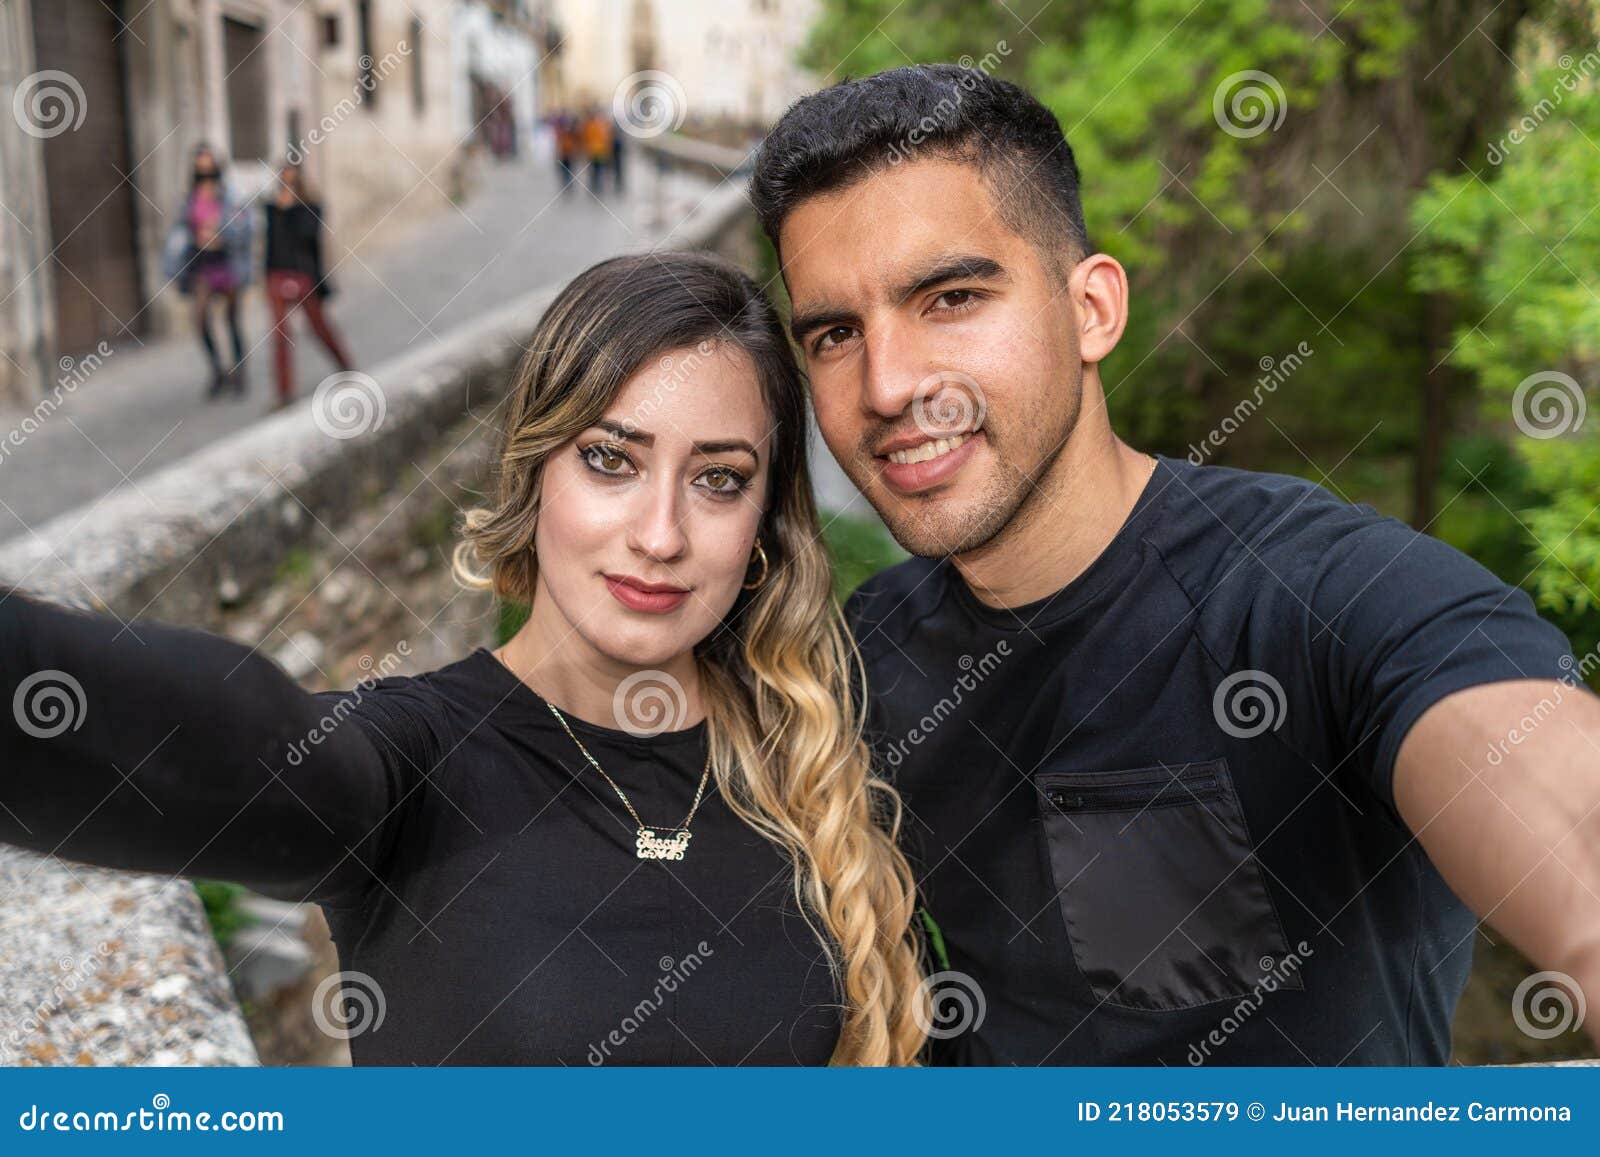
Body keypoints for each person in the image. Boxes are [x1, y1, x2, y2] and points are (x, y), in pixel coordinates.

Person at [750, 64, 1600, 1065]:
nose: (887, 384)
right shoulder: (860, 656)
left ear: (1093, 310)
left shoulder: (1314, 595)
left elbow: (1541, 783)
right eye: (836, 334)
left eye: (950, 296)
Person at [0, 252, 927, 1066]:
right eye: (611, 460)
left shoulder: (816, 751)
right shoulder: (415, 763)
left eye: (718, 479)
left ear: (763, 525)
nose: (659, 534)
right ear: (533, 475)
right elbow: (231, 750)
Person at [160, 144, 253, 399]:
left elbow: (246, 225)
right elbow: (181, 232)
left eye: (209, 168)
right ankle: (217, 370)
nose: (206, 174)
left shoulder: (230, 195)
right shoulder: (189, 200)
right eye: (201, 169)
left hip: (227, 262)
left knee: (232, 320)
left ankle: (240, 372)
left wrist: (223, 233)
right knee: (200, 320)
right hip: (203, 265)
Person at [263, 161, 355, 409]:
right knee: (281, 333)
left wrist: (292, 208)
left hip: (302, 274)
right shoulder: (271, 208)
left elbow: (308, 236)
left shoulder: (311, 207)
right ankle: (284, 392)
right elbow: (271, 243)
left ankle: (345, 366)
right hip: (276, 274)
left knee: (317, 325)